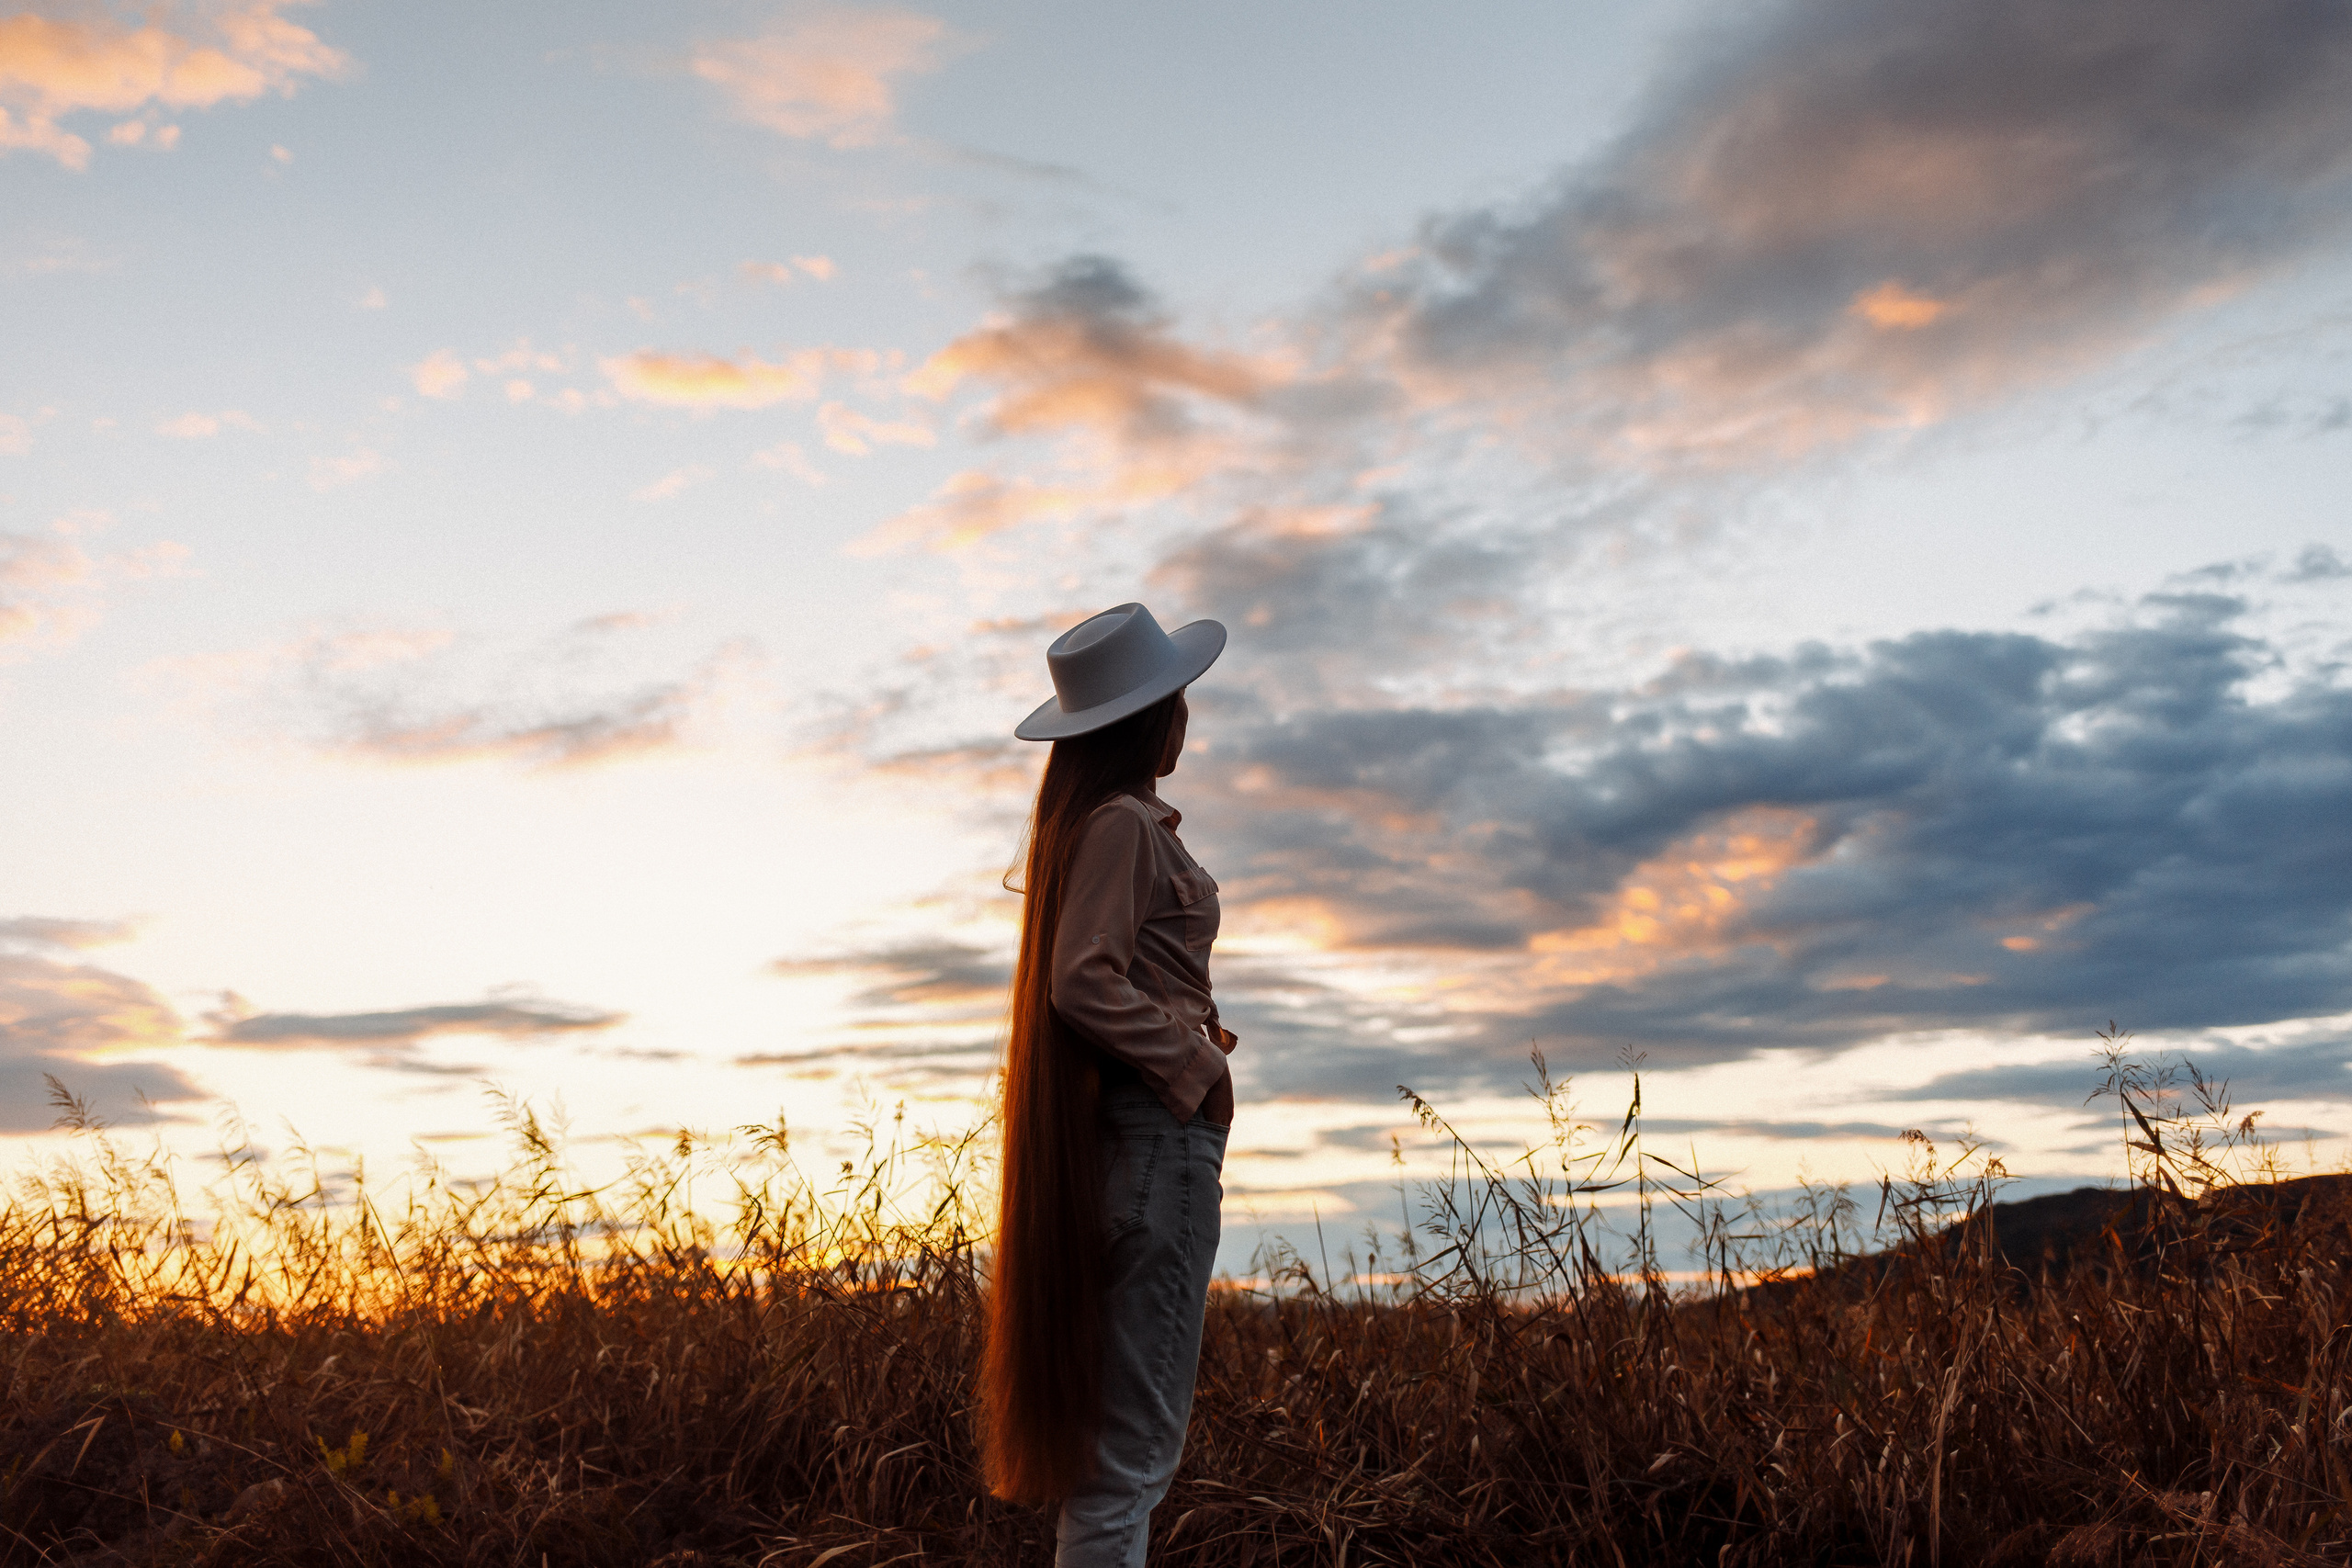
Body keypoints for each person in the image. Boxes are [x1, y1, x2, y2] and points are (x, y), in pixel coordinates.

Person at [981, 601, 1237, 1567]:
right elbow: (1081, 980)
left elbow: (1109, 973)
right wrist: (1193, 1062)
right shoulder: (1125, 824)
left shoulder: (1095, 827)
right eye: (1177, 701)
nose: (1186, 719)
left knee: (1109, 1468)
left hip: (1128, 1151)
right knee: (1127, 1470)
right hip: (1156, 1152)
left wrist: (1191, 1029)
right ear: (1152, 718)